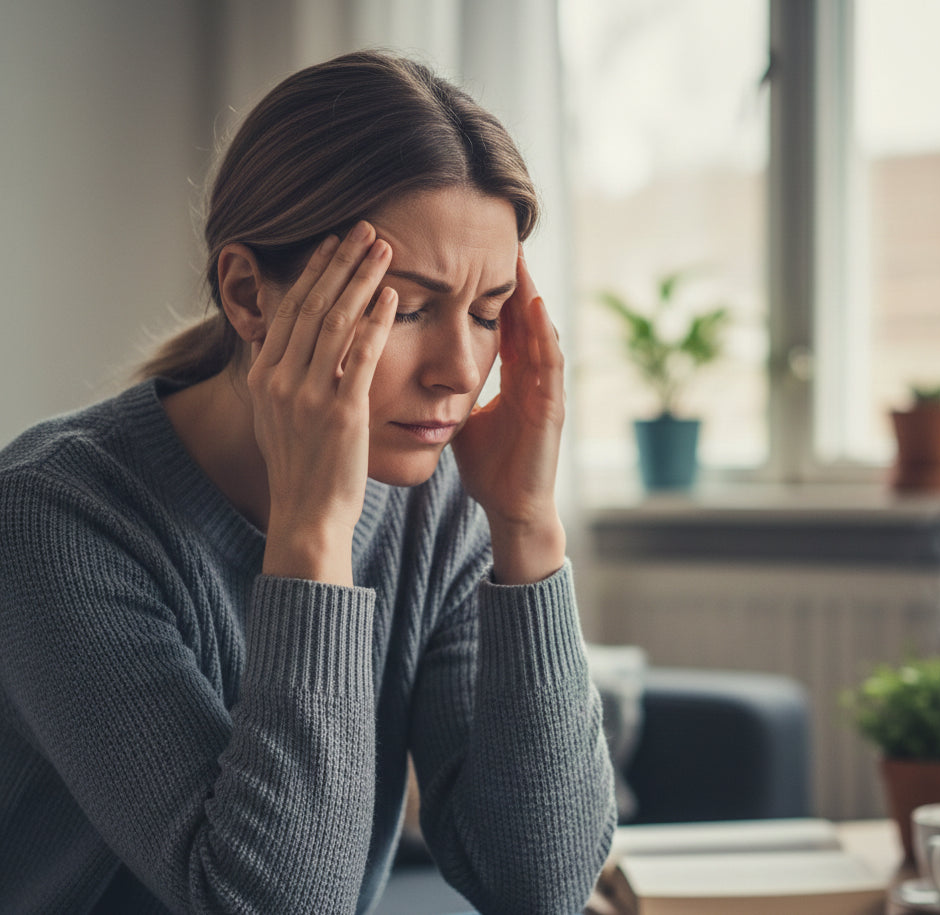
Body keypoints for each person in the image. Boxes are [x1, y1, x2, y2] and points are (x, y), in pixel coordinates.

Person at [0, 51, 616, 914]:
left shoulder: (439, 506)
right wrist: (314, 530)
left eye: (487, 313)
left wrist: (526, 525)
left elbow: (540, 883)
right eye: (408, 308)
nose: (459, 370)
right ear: (249, 294)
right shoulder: (52, 518)